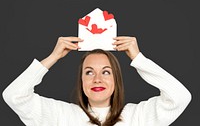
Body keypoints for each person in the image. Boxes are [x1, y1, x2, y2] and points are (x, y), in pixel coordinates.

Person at [2, 36, 191, 126]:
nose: (97, 79)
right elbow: (14, 96)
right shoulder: (59, 116)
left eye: (106, 72)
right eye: (89, 72)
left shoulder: (139, 117)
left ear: (116, 79)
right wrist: (53, 57)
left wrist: (138, 58)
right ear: (81, 80)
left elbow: (180, 97)